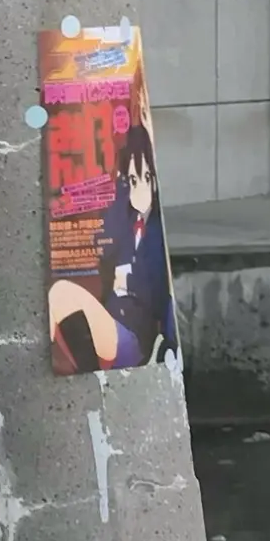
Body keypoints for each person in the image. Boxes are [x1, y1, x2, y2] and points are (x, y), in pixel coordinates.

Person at [48, 115, 176, 371]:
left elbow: (167, 295)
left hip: (135, 337)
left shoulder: (155, 233)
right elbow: (104, 244)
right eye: (133, 181)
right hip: (114, 324)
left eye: (147, 178)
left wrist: (170, 346)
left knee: (60, 294)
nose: (141, 189)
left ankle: (90, 374)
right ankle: (88, 373)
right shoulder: (123, 225)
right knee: (56, 301)